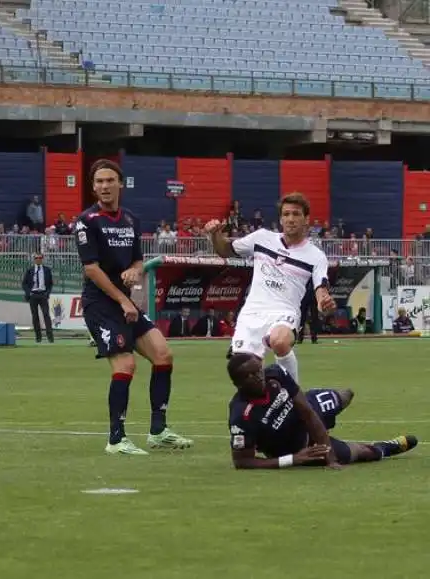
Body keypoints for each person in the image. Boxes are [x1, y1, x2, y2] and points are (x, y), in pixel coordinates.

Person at [76, 159, 193, 455]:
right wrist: (123, 299)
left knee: (164, 355)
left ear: (120, 184)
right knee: (126, 364)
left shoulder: (130, 220)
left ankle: (158, 431)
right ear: (93, 187)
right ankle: (116, 439)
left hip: (124, 304)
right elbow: (91, 269)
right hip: (101, 305)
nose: (104, 186)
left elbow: (138, 260)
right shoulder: (86, 221)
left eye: (109, 180)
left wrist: (135, 271)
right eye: (99, 181)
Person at [205, 193, 335, 383]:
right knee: (245, 375)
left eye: (296, 214)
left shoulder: (316, 256)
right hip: (252, 313)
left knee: (279, 341)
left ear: (306, 219)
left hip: (284, 313)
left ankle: (293, 398)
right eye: (286, 214)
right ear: (281, 218)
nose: (291, 219)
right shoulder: (261, 238)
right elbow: (225, 250)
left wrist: (324, 303)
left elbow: (320, 290)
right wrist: (215, 234)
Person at [226, 352, 418, 469]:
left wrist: (330, 456)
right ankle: (383, 447)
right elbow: (243, 462)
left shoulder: (275, 373)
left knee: (345, 395)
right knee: (363, 453)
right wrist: (293, 459)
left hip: (307, 410)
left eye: (258, 371)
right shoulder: (241, 415)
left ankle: (328, 426)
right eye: (249, 376)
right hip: (299, 445)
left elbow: (307, 411)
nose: (258, 377)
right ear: (237, 383)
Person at [22, 251, 54, 343]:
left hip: (43, 294)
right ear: (34, 260)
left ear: (42, 259)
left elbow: (50, 283)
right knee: (35, 316)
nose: (38, 260)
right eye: (36, 258)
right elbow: (24, 284)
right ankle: (38, 337)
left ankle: (50, 337)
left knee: (46, 315)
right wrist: (29, 293)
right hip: (33, 295)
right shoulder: (30, 270)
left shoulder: (47, 270)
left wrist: (47, 293)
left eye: (40, 258)